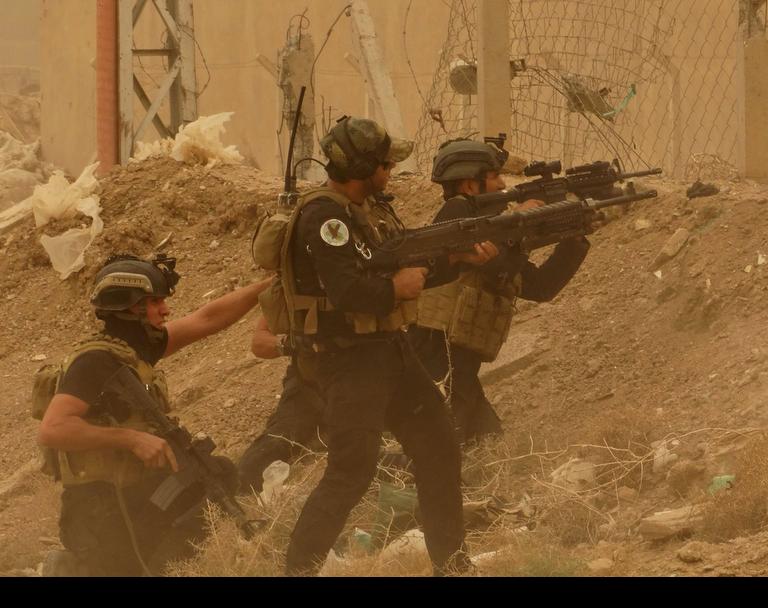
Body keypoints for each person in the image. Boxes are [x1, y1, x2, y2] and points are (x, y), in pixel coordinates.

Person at [278, 115, 498, 576]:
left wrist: (454, 260)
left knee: (439, 446)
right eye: (383, 163)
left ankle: (454, 567)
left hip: (387, 351)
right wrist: (394, 288)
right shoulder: (325, 216)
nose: (390, 169)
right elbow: (348, 290)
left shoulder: (368, 211)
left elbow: (405, 273)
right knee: (351, 470)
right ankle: (297, 569)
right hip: (349, 359)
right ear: (361, 167)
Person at [35, 254, 271, 576]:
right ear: (131, 307)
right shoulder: (94, 361)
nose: (165, 310)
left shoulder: (132, 350)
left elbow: (207, 319)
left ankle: (160, 567)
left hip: (132, 495)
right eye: (155, 302)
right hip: (98, 511)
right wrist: (131, 439)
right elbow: (52, 428)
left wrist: (270, 287)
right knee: (121, 568)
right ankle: (77, 567)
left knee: (215, 474)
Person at [410, 138, 591, 445]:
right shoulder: (457, 213)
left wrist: (573, 238)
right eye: (494, 176)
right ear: (470, 185)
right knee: (439, 446)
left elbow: (539, 286)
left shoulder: (493, 230)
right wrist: (518, 221)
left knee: (486, 444)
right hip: (437, 353)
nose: (503, 184)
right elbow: (487, 255)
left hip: (459, 360)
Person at [234, 316, 409, 495]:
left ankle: (326, 448)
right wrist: (293, 344)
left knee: (389, 448)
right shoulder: (296, 289)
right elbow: (260, 343)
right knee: (255, 466)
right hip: (309, 386)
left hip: (362, 380)